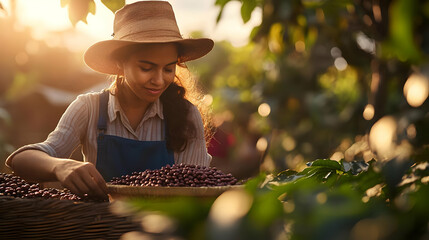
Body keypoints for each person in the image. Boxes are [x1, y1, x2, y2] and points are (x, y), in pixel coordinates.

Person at [4, 1, 214, 199]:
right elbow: (21, 160)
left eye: (168, 69)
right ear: (119, 64)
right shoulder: (89, 108)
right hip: (102, 228)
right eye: (146, 68)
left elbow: (196, 191)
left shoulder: (186, 116)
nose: (159, 80)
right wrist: (61, 166)